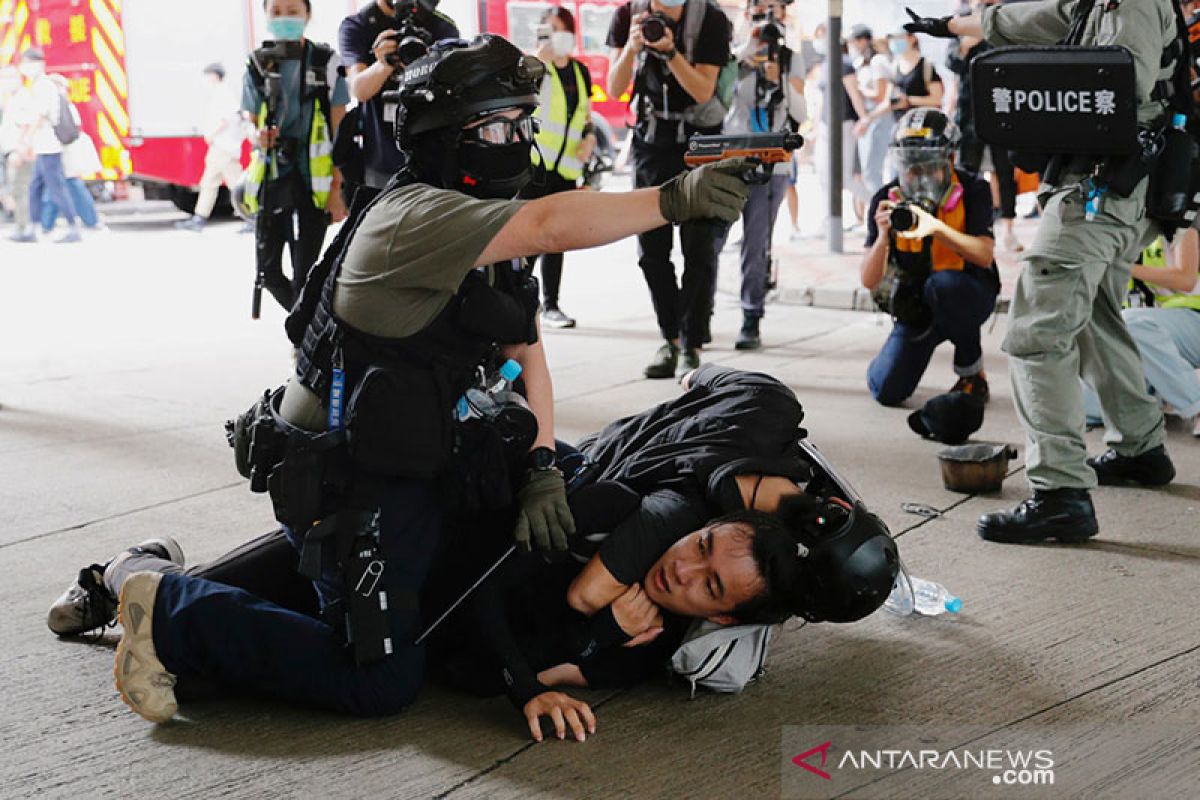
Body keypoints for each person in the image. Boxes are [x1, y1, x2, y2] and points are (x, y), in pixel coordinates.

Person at [47, 34, 750, 725]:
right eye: (498, 124)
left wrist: (539, 465)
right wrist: (671, 198)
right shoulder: (417, 215)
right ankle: (162, 601)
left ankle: (146, 580)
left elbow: (525, 347)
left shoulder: (483, 219)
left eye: (523, 122)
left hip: (409, 457)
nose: (517, 138)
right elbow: (548, 224)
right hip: (349, 476)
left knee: (555, 479)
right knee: (381, 679)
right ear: (447, 136)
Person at [904, 1, 1180, 544]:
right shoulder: (1095, 3)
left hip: (1101, 188)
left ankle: (1060, 494)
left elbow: (1122, 84)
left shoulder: (1133, 2)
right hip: (1108, 187)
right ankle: (1140, 448)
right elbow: (1030, 19)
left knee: (1035, 331)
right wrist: (951, 26)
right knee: (1097, 314)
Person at [606, 0, 733, 378]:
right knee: (652, 251)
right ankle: (670, 339)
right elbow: (614, 88)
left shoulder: (710, 19)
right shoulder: (628, 15)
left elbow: (701, 91)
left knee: (699, 248)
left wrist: (671, 51)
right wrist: (632, 48)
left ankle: (692, 344)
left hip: (700, 146)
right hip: (651, 142)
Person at [860, 108, 999, 408]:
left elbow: (984, 255)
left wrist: (936, 228)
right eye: (911, 167)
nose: (919, 176)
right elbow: (868, 280)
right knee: (886, 390)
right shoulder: (887, 199)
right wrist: (883, 236)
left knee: (944, 285)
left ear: (949, 160)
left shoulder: (974, 189)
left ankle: (972, 374)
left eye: (928, 166)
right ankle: (892, 360)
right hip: (916, 308)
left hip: (966, 294)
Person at [242, 0, 350, 313]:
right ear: (265, 16)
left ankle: (303, 341)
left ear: (308, 15)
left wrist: (337, 189)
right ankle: (305, 329)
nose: (284, 19)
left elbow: (339, 127)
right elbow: (249, 121)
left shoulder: (326, 61)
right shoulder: (257, 63)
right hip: (272, 178)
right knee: (269, 271)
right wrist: (258, 135)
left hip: (313, 182)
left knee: (307, 271)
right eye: (276, 12)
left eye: (293, 11)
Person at [718, 0, 805, 350]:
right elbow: (720, 101)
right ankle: (696, 318)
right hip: (732, 158)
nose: (766, 18)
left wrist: (780, 81)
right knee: (711, 237)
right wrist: (743, 58)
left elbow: (800, 110)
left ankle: (751, 316)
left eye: (773, 10)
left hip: (773, 162)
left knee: (756, 244)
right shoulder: (733, 57)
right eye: (759, 11)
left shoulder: (789, 58)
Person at [338, 0, 459, 210]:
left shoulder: (442, 26)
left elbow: (451, 93)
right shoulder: (358, 25)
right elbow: (359, 89)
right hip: (380, 156)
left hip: (431, 157)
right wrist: (384, 63)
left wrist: (427, 60)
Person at [1083, 227, 1200, 438]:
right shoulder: (1112, 230)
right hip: (1141, 338)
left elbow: (1186, 278)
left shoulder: (1179, 222)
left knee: (1130, 323)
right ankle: (1154, 396)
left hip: (1191, 320)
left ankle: (1195, 403)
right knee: (1083, 404)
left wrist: (1122, 266)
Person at [523, 6, 598, 329]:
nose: (557, 35)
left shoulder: (580, 72)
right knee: (527, 239)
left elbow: (585, 116)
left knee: (558, 238)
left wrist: (590, 139)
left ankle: (551, 305)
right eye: (550, 29)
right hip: (535, 166)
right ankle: (516, 297)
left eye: (562, 29)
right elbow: (523, 107)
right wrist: (538, 63)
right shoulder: (534, 67)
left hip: (566, 169)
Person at [945, 0, 1022, 253]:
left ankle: (1009, 229)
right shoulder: (960, 19)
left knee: (1005, 172)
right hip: (969, 114)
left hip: (1000, 108)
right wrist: (965, 46)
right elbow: (952, 64)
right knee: (967, 171)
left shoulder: (1003, 15)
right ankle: (967, 225)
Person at [176, 63, 249, 232]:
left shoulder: (223, 95)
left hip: (224, 146)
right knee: (210, 182)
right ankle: (199, 218)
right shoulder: (220, 94)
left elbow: (225, 120)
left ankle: (251, 217)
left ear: (214, 76)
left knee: (235, 184)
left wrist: (211, 134)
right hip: (221, 146)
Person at [19, 49, 81, 244]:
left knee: (56, 188)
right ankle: (33, 229)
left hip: (49, 145)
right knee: (35, 187)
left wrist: (26, 139)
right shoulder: (38, 85)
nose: (25, 66)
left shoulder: (44, 86)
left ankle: (73, 228)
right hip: (42, 145)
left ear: (38, 63)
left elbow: (40, 115)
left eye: (27, 61)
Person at [815, 37, 871, 229]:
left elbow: (854, 94)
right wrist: (815, 127)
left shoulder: (845, 64)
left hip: (843, 124)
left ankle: (877, 205)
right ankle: (828, 219)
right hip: (825, 126)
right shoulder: (825, 65)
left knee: (845, 177)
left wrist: (864, 118)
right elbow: (822, 100)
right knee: (823, 174)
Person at [849, 25, 894, 197]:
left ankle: (883, 207)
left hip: (879, 119)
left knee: (872, 171)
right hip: (868, 119)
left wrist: (859, 89)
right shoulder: (861, 63)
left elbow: (880, 95)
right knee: (867, 172)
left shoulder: (878, 61)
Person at [886, 29, 942, 123]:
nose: (894, 42)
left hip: (923, 125)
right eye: (892, 38)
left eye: (899, 38)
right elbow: (887, 100)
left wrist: (908, 100)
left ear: (912, 38)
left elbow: (937, 100)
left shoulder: (926, 66)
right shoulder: (894, 67)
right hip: (901, 126)